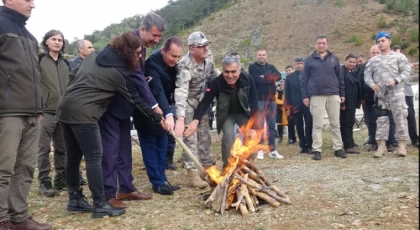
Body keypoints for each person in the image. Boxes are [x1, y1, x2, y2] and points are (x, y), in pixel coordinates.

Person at [57, 32, 164, 218]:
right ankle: (100, 203)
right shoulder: (119, 73)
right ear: (127, 52)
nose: (140, 56)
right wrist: (155, 117)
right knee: (94, 157)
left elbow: (73, 74)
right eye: (137, 53)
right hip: (84, 113)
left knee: (73, 157)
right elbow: (136, 98)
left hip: (65, 107)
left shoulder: (93, 56)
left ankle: (74, 200)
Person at [101, 12, 166, 209]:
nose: (155, 40)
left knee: (124, 149)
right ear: (143, 29)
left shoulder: (142, 47)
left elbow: (139, 76)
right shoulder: (128, 45)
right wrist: (155, 107)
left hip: (125, 106)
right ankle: (108, 194)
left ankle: (126, 188)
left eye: (159, 37)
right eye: (153, 35)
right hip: (110, 105)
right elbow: (137, 78)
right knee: (111, 151)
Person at [0, 1, 52, 229]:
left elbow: (33, 75)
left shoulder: (29, 35)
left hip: (32, 112)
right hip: (7, 112)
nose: (33, 4)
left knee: (26, 167)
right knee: (3, 169)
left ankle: (18, 217)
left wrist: (39, 106)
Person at [184, 55, 258, 168]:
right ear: (222, 70)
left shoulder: (248, 79)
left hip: (243, 113)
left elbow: (254, 103)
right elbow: (205, 102)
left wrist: (254, 127)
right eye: (226, 72)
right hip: (226, 115)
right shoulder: (217, 83)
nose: (230, 75)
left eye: (233, 71)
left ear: (240, 70)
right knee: (228, 136)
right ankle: (228, 167)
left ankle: (249, 167)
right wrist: (195, 120)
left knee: (251, 137)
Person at [134, 36, 183, 195]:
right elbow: (157, 90)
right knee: (151, 147)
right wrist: (168, 113)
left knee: (162, 145)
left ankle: (162, 179)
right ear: (164, 51)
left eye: (178, 57)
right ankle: (156, 182)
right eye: (173, 56)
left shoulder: (172, 65)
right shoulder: (152, 65)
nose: (175, 60)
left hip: (164, 111)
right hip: (148, 113)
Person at [173, 31, 219, 189]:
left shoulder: (209, 59)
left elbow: (215, 75)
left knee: (204, 136)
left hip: (201, 102)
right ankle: (192, 172)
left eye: (206, 45)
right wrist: (180, 116)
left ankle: (207, 168)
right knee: (190, 138)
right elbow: (181, 91)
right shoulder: (185, 65)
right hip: (186, 103)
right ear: (192, 49)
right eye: (201, 46)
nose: (205, 48)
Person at [364, 31, 412, 158]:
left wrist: (396, 80)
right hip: (381, 95)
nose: (380, 43)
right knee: (381, 120)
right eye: (378, 42)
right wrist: (373, 85)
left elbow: (407, 71)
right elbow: (367, 76)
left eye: (383, 41)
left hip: (396, 93)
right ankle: (381, 146)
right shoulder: (373, 60)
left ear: (389, 42)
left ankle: (402, 145)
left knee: (400, 118)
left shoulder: (398, 57)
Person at [300, 35, 346, 161]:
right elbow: (304, 80)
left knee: (335, 123)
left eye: (323, 43)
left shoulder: (334, 59)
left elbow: (340, 78)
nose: (321, 45)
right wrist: (305, 96)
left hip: (333, 94)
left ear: (327, 44)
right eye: (319, 43)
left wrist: (342, 94)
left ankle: (338, 148)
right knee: (317, 125)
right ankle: (317, 150)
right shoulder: (309, 60)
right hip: (316, 95)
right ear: (315, 45)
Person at [37, 30, 70, 197]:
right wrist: (37, 109)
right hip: (45, 112)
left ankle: (61, 178)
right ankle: (44, 181)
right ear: (47, 42)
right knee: (43, 149)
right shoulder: (39, 60)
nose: (57, 42)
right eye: (53, 39)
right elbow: (33, 85)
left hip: (63, 113)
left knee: (62, 148)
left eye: (60, 40)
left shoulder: (66, 63)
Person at [358, 45, 398, 152]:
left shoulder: (388, 64)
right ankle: (374, 142)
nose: (375, 55)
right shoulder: (365, 66)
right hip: (368, 98)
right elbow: (360, 82)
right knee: (370, 121)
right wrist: (361, 97)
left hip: (385, 98)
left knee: (388, 120)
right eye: (373, 53)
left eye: (377, 52)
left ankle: (390, 142)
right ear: (369, 54)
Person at [248, 48, 284, 160]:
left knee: (272, 125)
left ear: (266, 56)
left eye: (263, 55)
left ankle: (272, 150)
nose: (261, 57)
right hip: (259, 100)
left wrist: (265, 77)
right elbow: (256, 80)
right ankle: (260, 150)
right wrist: (270, 78)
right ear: (256, 56)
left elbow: (279, 76)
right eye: (260, 55)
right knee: (259, 126)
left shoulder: (271, 67)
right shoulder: (252, 67)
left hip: (271, 100)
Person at [391, 46, 419, 148]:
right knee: (394, 116)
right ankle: (394, 140)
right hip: (394, 92)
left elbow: (410, 73)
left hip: (407, 92)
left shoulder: (405, 62)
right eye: (396, 53)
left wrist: (407, 65)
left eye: (399, 53)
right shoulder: (389, 63)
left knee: (411, 115)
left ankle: (415, 139)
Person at [284, 57, 313, 154]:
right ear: (295, 64)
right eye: (298, 63)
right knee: (299, 126)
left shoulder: (309, 75)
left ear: (303, 64)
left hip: (308, 104)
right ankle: (302, 145)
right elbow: (287, 93)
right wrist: (287, 107)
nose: (299, 65)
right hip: (295, 105)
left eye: (301, 63)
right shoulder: (289, 77)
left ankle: (309, 145)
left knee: (309, 125)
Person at [340, 54, 362, 154]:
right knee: (346, 123)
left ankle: (350, 142)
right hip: (345, 102)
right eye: (350, 62)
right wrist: (342, 103)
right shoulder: (341, 71)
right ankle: (348, 146)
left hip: (352, 102)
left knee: (350, 122)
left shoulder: (352, 72)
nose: (352, 64)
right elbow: (340, 87)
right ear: (345, 61)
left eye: (354, 62)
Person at [284, 65, 297, 144]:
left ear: (292, 70)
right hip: (288, 104)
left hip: (296, 103)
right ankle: (291, 138)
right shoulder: (286, 80)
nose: (288, 72)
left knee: (299, 122)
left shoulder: (296, 79)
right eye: (287, 70)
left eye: (289, 70)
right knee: (290, 122)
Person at [275, 80, 288, 147]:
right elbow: (275, 99)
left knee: (290, 123)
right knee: (279, 124)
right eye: (282, 83)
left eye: (284, 83)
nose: (283, 84)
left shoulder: (289, 90)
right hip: (280, 109)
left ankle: (291, 138)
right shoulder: (277, 91)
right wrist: (283, 103)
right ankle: (280, 137)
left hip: (288, 108)